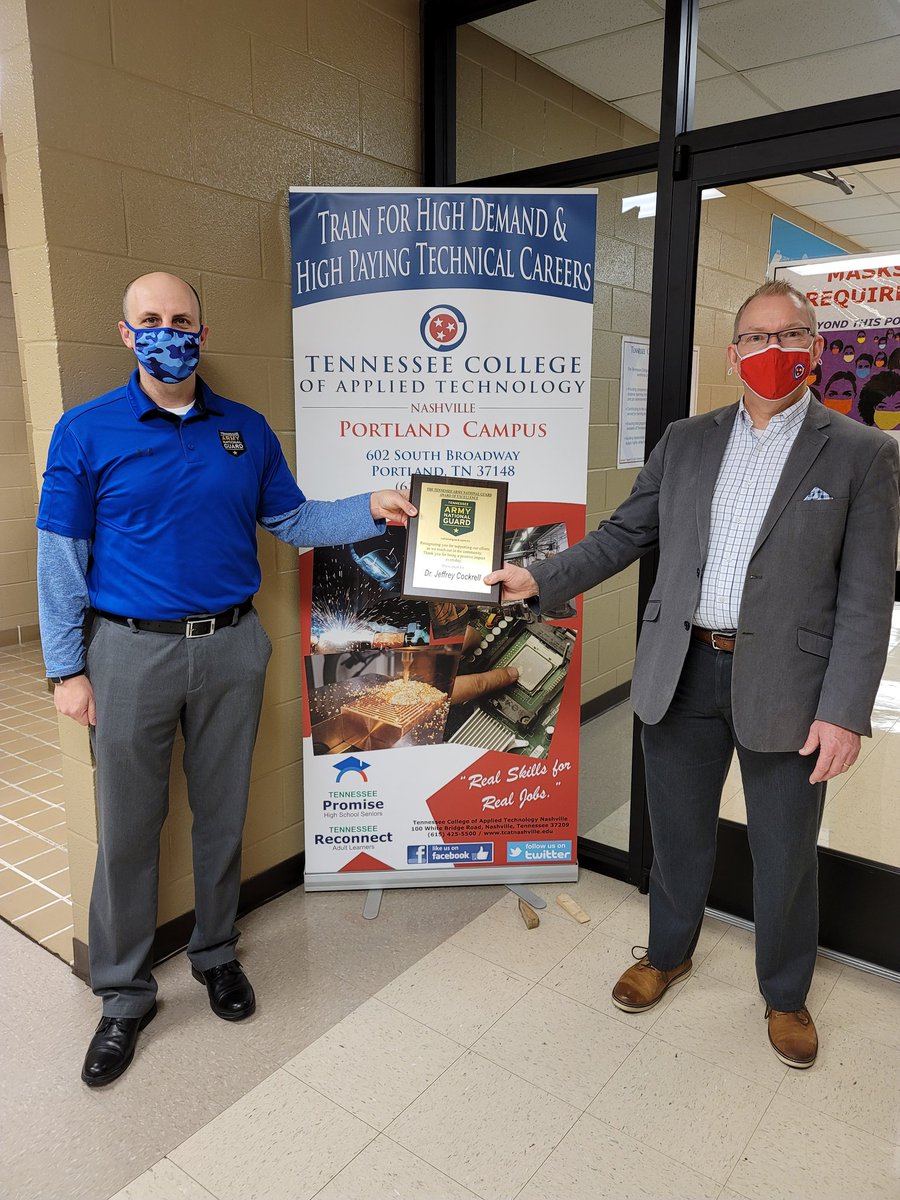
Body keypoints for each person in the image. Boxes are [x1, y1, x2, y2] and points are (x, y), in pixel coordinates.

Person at [487, 279, 899, 1069]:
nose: (770, 350)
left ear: (814, 350)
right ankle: (668, 952)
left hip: (790, 686)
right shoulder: (686, 439)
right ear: (732, 351)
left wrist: (846, 711)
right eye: (755, 336)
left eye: (790, 336)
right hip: (681, 669)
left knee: (786, 853)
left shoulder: (862, 454)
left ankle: (784, 993)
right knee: (676, 840)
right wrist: (540, 577)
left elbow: (866, 597)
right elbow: (622, 534)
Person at [37, 272, 416, 1087]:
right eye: (151, 320)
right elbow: (60, 558)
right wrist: (66, 668)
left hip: (232, 646)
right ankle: (124, 996)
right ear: (125, 331)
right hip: (128, 654)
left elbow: (292, 520)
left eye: (181, 320)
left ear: (202, 336)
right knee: (130, 827)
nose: (166, 331)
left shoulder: (243, 430)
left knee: (221, 814)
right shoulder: (85, 432)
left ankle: (215, 954)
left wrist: (368, 505)